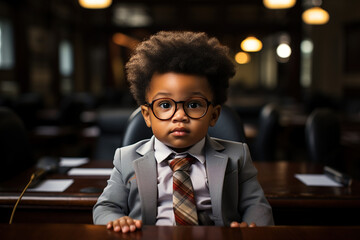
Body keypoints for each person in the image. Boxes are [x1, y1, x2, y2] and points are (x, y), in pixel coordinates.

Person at [93, 31, 274, 232]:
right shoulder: (125, 158)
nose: (179, 116)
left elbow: (257, 206)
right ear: (147, 115)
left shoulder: (237, 155)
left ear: (214, 115)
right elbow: (105, 207)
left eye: (194, 104)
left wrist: (253, 227)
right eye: (164, 105)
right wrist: (117, 220)